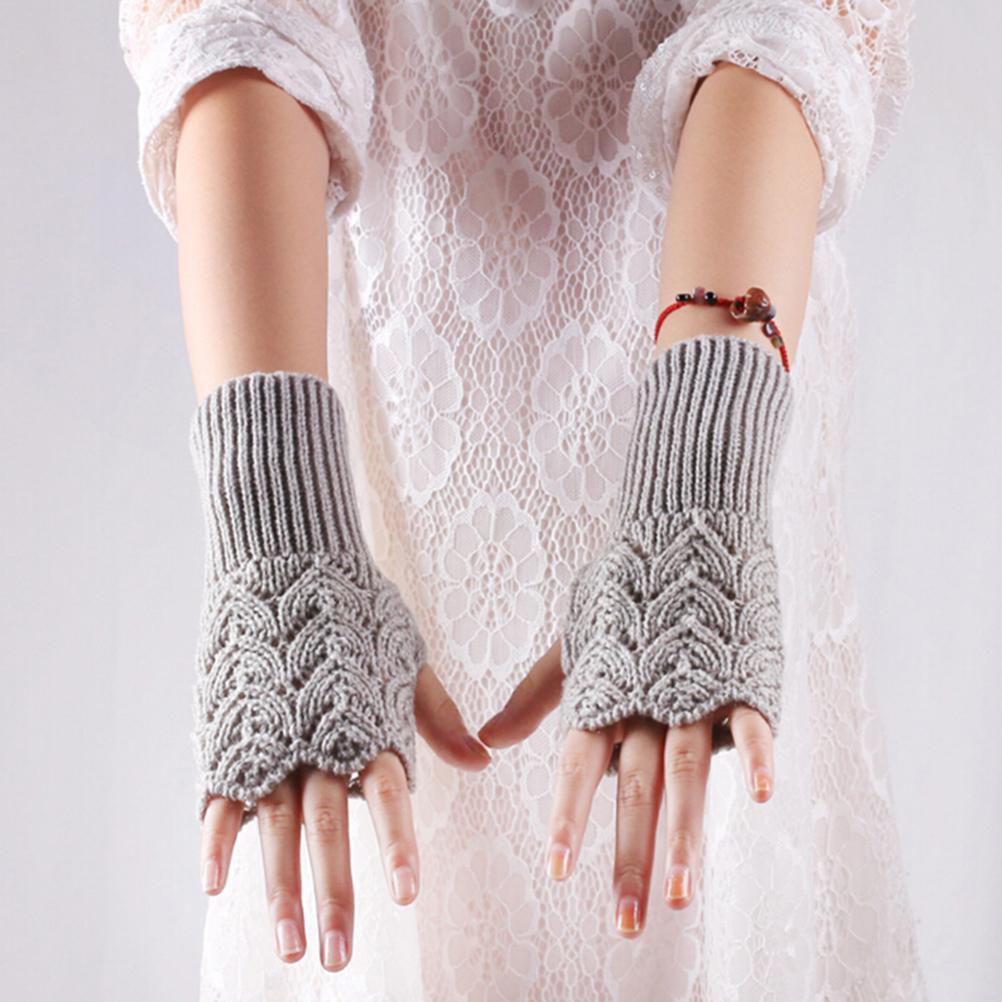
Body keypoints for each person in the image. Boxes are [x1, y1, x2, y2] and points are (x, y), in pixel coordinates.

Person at [118, 0, 928, 997]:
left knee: (706, 846)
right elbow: (243, 28)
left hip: (710, 421)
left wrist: (698, 472)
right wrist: (279, 530)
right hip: (368, 473)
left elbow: (782, 28)